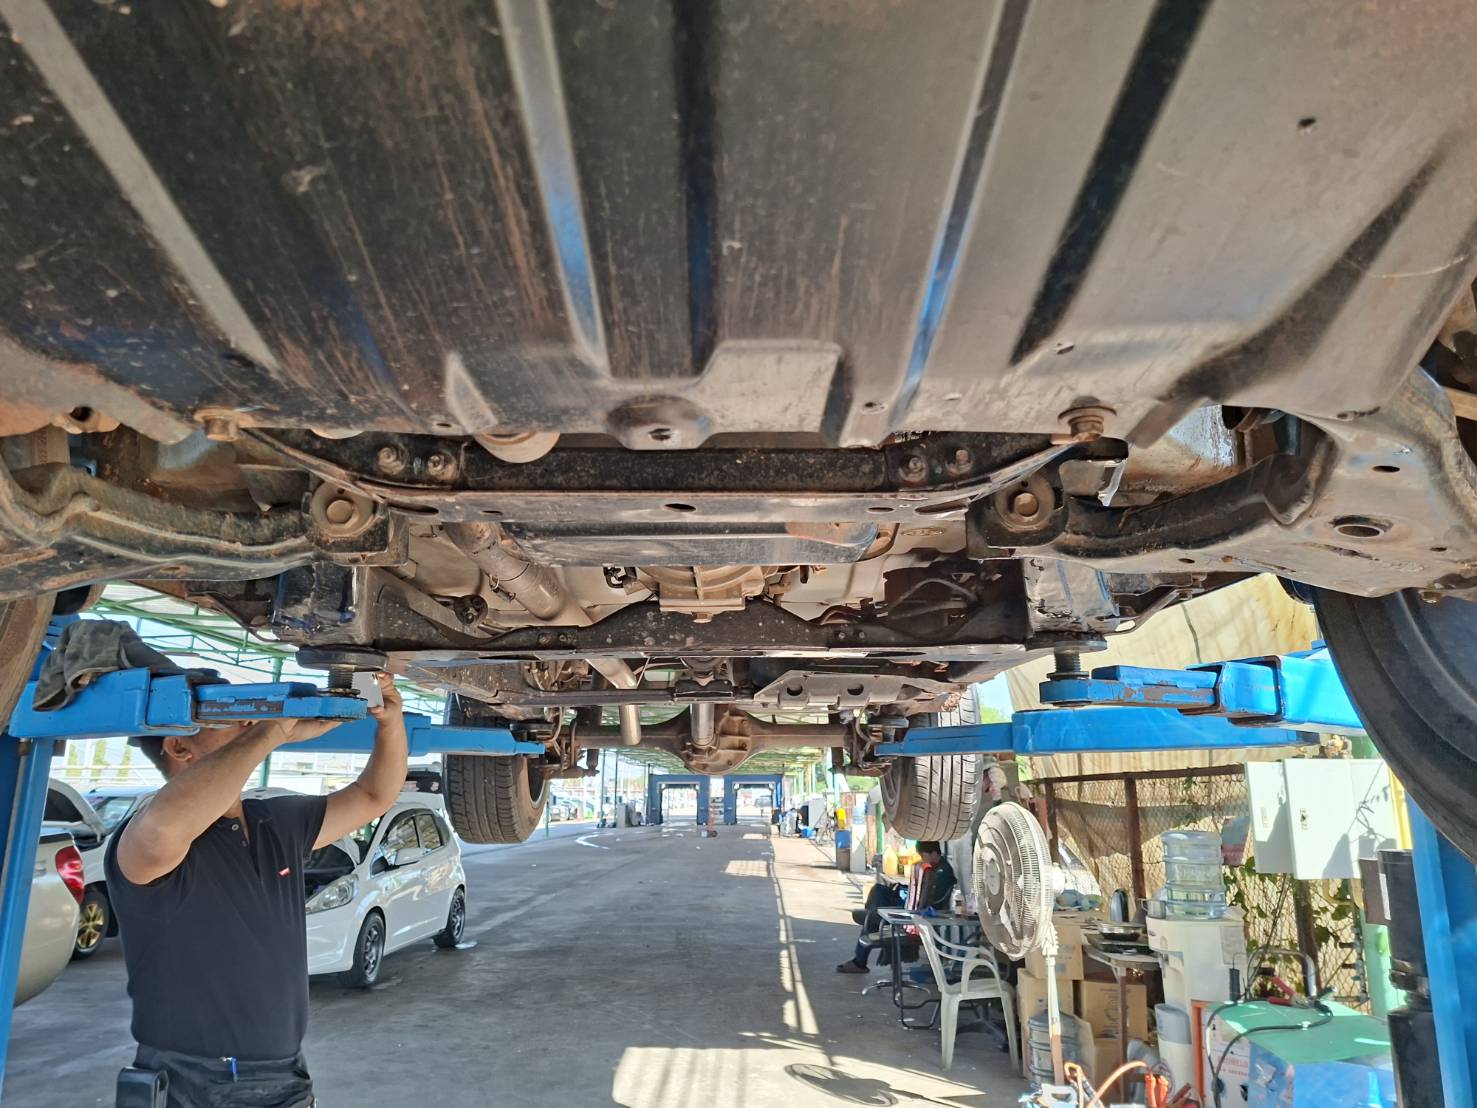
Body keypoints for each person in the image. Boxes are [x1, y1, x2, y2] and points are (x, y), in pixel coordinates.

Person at [106, 672, 409, 1107]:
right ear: (179, 747)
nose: (249, 721)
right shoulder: (142, 839)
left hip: (284, 1075)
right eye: (229, 714)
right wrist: (271, 732)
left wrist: (390, 721)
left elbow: (373, 795)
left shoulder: (275, 822)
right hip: (191, 1083)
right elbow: (162, 829)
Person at [836, 840, 956, 974]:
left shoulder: (941, 872)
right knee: (879, 889)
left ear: (933, 853)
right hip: (913, 906)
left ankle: (860, 960)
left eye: (923, 856)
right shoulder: (934, 868)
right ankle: (871, 915)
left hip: (920, 912)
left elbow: (927, 901)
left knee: (873, 915)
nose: (922, 859)